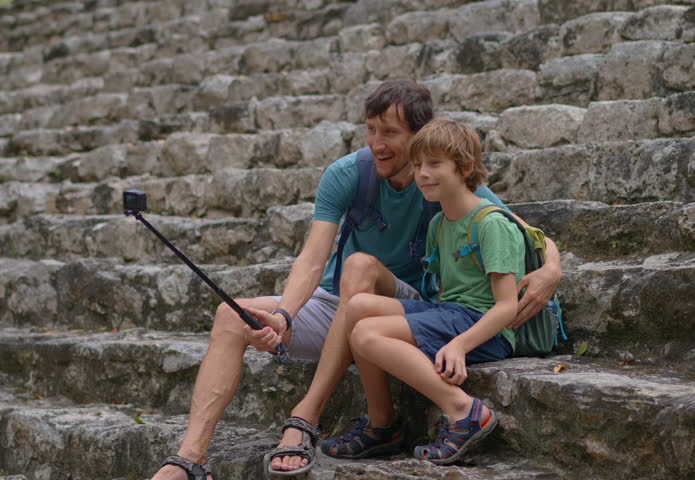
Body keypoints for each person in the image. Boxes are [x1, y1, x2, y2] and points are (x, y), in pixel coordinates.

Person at [152, 80, 562, 480]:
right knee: (230, 315)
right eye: (371, 130)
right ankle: (190, 459)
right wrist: (284, 315)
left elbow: (525, 233)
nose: (377, 143)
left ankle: (305, 417)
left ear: (420, 137)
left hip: (408, 303)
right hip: (346, 303)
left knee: (361, 267)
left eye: (390, 133)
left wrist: (551, 270)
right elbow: (313, 259)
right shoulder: (348, 174)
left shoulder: (441, 178)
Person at [337, 118, 525, 466]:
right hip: (450, 312)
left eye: (435, 164)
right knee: (358, 306)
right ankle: (382, 425)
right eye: (418, 164)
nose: (423, 173)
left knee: (365, 333)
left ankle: (464, 411)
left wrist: (458, 344)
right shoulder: (440, 222)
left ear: (465, 168)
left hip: (484, 326)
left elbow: (506, 307)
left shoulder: (492, 223)